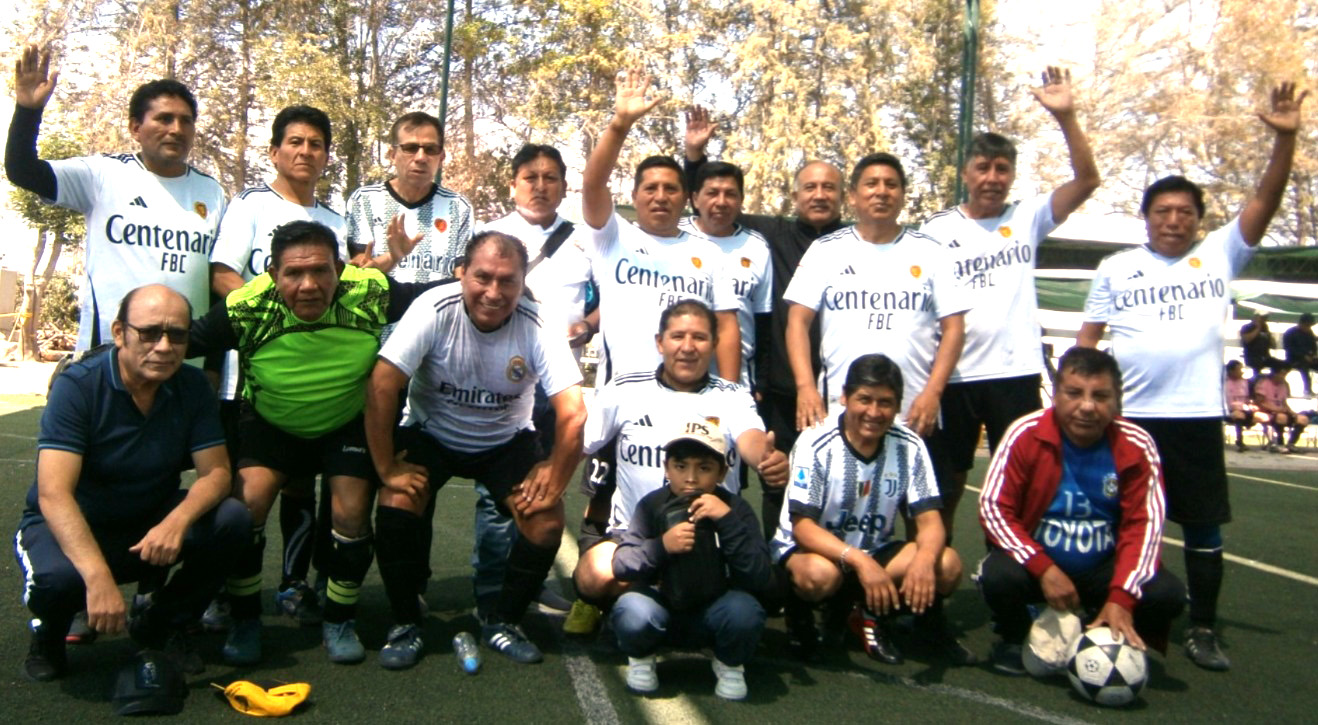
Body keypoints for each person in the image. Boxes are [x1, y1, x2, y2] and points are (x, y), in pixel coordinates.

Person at [1078, 82, 1307, 671]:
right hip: (1128, 421)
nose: (1174, 220)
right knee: (1116, 522)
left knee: (1203, 527)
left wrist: (1284, 140)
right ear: (1146, 218)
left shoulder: (1220, 253)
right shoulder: (1116, 267)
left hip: (1196, 418)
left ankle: (1203, 627)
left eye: (1185, 212)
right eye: (1163, 211)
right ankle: (1111, 607)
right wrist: (1076, 400)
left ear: (1200, 220)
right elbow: (1088, 342)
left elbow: (1266, 198)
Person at [187, 220, 441, 666]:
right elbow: (179, 341)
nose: (308, 285)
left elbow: (432, 296)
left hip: (346, 423)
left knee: (351, 510)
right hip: (271, 423)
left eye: (321, 271)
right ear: (272, 274)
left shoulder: (369, 290)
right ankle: (245, 618)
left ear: (339, 270)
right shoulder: (247, 306)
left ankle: (339, 619)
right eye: (293, 274)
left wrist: (488, 284)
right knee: (246, 508)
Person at [566, 70, 742, 633]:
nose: (660, 196)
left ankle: (693, 588)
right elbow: (593, 185)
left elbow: (727, 327)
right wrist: (620, 123)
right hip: (623, 396)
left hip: (691, 401)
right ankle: (595, 593)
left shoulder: (708, 253)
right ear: (636, 196)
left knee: (689, 495)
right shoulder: (613, 237)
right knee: (604, 495)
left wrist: (732, 393)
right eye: (650, 188)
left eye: (671, 189)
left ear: (685, 197)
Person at [365, 231, 587, 669]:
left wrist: (556, 476)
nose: (494, 292)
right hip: (432, 434)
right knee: (396, 503)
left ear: (523, 282)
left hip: (505, 441)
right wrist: (387, 466)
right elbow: (381, 386)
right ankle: (406, 622)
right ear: (462, 273)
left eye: (508, 281)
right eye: (483, 277)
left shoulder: (539, 322)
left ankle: (503, 620)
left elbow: (574, 413)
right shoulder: (433, 307)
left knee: (545, 521)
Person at [15, 285, 249, 682]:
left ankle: (163, 622)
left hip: (147, 522)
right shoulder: (79, 386)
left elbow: (217, 473)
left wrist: (175, 522)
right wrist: (97, 577)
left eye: (177, 335)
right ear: (120, 333)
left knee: (233, 519)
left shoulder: (192, 386)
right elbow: (54, 494)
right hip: (72, 523)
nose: (164, 347)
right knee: (58, 580)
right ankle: (49, 633)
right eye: (150, 333)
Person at [918, 66, 1100, 532]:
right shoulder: (936, 229)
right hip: (954, 377)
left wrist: (1066, 117)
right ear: (966, 173)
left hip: (1014, 373)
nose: (993, 177)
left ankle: (1014, 565)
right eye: (983, 168)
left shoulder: (1028, 217)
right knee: (946, 483)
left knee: (1022, 485)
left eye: (1002, 169)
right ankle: (935, 563)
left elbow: (1087, 181)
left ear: (1012, 175)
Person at [205, 105, 360, 631]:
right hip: (250, 380)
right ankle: (225, 593)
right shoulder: (249, 205)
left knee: (300, 488)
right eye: (294, 142)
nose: (305, 152)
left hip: (313, 384)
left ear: (327, 156)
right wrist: (278, 315)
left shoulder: (335, 221)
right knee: (242, 492)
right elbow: (222, 276)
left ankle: (294, 585)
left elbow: (346, 290)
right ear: (274, 151)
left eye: (316, 144)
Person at [684, 105, 845, 540]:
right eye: (810, 187)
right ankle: (777, 562)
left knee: (838, 480)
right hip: (783, 391)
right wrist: (695, 156)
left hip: (841, 388)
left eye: (828, 187)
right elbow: (711, 204)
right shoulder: (769, 235)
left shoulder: (858, 243)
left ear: (842, 196)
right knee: (778, 477)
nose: (819, 195)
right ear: (795, 196)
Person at [977, 346, 1186, 675]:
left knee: (1167, 593)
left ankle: (1113, 631)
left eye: (1100, 396)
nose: (1087, 406)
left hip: (1102, 566)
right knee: (998, 575)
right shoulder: (1025, 433)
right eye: (1074, 393)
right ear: (1056, 394)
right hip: (1041, 562)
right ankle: (1014, 635)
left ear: (1117, 400)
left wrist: (1121, 596)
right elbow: (994, 508)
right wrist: (1043, 568)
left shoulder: (1136, 444)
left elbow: (1144, 527)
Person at [784, 152, 967, 524]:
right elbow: (797, 321)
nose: (881, 191)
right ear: (852, 195)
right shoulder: (826, 250)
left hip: (914, 411)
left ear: (902, 195)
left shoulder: (932, 252)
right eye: (871, 184)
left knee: (927, 525)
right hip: (841, 410)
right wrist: (805, 386)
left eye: (891, 185)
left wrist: (933, 392)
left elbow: (954, 328)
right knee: (834, 519)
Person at [5, 44, 226, 351]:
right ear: (135, 127)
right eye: (164, 119)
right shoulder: (102, 175)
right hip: (110, 353)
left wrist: (213, 363)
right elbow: (23, 171)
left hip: (185, 355)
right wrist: (28, 111)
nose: (176, 129)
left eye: (185, 121)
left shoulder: (212, 192)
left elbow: (217, 279)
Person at [572, 300, 787, 609]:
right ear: (660, 342)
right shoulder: (624, 389)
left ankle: (675, 602)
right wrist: (549, 472)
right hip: (639, 535)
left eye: (699, 337)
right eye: (677, 336)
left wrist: (765, 461)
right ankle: (640, 603)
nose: (688, 347)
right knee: (592, 576)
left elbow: (751, 439)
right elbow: (581, 445)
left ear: (714, 344)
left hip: (710, 535)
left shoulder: (732, 396)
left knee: (758, 596)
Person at [771, 354, 975, 666]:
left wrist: (923, 561)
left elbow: (930, 521)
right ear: (845, 397)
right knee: (819, 575)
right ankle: (801, 618)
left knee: (946, 565)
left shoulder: (909, 445)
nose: (874, 412)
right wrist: (861, 562)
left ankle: (892, 616)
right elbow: (803, 528)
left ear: (898, 406)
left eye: (885, 403)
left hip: (872, 549)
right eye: (865, 399)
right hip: (813, 552)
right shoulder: (815, 441)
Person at [469, 144, 593, 621]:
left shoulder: (585, 238)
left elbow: (605, 300)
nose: (540, 186)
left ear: (564, 186)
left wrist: (586, 327)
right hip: (504, 384)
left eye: (550, 178)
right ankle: (490, 587)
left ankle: (529, 583)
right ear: (512, 184)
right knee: (497, 494)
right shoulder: (490, 237)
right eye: (530, 177)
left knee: (544, 488)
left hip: (559, 388)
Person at [611, 416, 774, 701]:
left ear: (722, 472)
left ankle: (729, 663)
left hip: (714, 613)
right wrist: (661, 546)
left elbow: (760, 575)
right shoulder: (652, 505)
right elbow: (621, 563)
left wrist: (727, 521)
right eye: (680, 466)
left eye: (704, 468)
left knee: (745, 612)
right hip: (662, 610)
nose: (691, 478)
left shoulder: (736, 508)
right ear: (666, 468)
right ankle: (642, 657)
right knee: (631, 608)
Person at [676, 159, 773, 388]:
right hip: (676, 373)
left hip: (736, 379)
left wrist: (761, 382)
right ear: (695, 199)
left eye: (730, 194)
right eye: (712, 193)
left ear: (741, 200)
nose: (721, 202)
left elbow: (764, 321)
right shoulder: (674, 234)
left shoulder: (757, 246)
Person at [344, 111, 473, 279]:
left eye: (430, 149)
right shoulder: (364, 200)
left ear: (441, 158)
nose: (421, 158)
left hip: (437, 297)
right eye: (410, 148)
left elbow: (462, 275)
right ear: (392, 155)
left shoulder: (458, 207)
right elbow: (359, 270)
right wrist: (393, 256)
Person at [1254, 364, 1308, 454]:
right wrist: (1275, 409)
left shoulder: (1284, 385)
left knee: (1303, 419)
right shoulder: (1263, 383)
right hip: (1268, 411)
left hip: (1281, 411)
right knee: (1281, 417)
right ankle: (1279, 443)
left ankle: (1291, 444)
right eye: (1282, 374)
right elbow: (1259, 403)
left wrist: (1291, 412)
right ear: (1275, 374)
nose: (1284, 377)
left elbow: (1283, 402)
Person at [1224, 360, 1263, 452]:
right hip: (1228, 411)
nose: (1242, 372)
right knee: (1238, 415)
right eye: (1239, 370)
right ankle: (1240, 441)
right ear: (1231, 371)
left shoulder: (1246, 383)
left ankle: (1273, 443)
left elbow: (1252, 398)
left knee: (1261, 416)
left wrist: (1252, 405)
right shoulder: (1223, 383)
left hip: (1245, 409)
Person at [1239, 311, 1283, 379]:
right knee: (1257, 369)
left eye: (1265, 318)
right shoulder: (1246, 327)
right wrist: (1258, 328)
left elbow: (1273, 345)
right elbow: (1247, 340)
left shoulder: (1265, 327)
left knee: (1281, 365)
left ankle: (1272, 379)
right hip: (1253, 356)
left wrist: (1269, 335)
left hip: (1265, 356)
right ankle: (1256, 379)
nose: (1264, 320)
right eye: (1262, 318)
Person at [1282, 312, 1316, 396]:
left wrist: (1313, 355)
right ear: (1302, 323)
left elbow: (1313, 346)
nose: (1308, 328)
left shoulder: (1309, 332)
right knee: (1304, 367)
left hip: (1308, 357)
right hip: (1294, 358)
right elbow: (1288, 348)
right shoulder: (1290, 333)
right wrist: (1303, 356)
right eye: (1307, 325)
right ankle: (1307, 390)